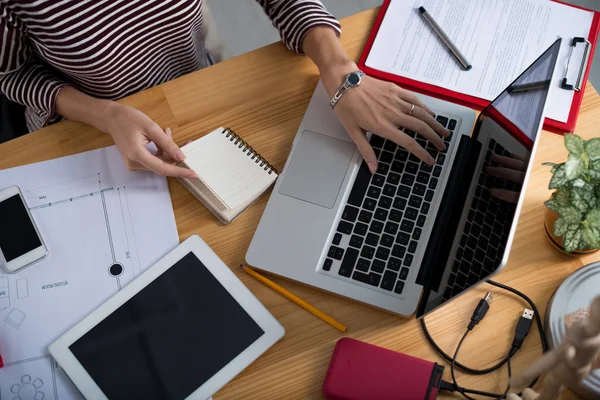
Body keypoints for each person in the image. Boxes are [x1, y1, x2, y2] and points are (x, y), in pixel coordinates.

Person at [0, 0, 448, 178]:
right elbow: (11, 75)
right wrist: (107, 114)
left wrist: (338, 67)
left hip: (194, 88)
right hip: (85, 129)